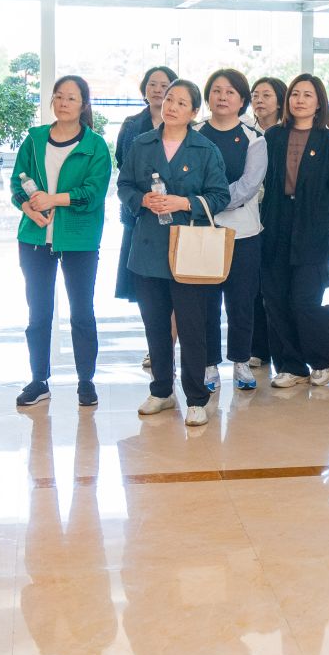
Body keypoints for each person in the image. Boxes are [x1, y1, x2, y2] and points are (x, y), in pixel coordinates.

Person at [119, 78, 229, 424]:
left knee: (192, 328)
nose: (172, 107)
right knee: (155, 326)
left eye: (182, 103)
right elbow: (124, 185)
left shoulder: (205, 149)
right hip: (148, 248)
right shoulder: (142, 144)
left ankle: (196, 398)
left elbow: (220, 196)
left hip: (188, 250)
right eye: (169, 99)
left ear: (194, 112)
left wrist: (184, 202)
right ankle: (161, 391)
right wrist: (141, 200)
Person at [11, 74, 112, 408]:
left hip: (79, 239)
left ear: (83, 105)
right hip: (35, 236)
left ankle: (86, 381)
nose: (63, 103)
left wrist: (53, 199)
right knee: (38, 313)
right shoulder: (35, 139)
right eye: (58, 96)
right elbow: (17, 182)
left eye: (71, 98)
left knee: (81, 312)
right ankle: (39, 380)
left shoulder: (95, 145)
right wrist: (28, 207)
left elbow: (93, 193)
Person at [258, 74, 329, 388]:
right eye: (295, 94)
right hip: (275, 223)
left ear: (319, 102)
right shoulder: (273, 136)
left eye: (307, 95)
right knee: (276, 299)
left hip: (313, 226)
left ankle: (322, 360)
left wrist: (322, 222)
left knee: (305, 300)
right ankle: (290, 365)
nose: (299, 100)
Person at [200, 68, 267, 392]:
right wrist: (204, 205)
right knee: (206, 302)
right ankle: (209, 364)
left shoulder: (255, 137)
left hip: (244, 233)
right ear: (208, 96)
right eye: (216, 90)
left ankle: (241, 362)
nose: (222, 97)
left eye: (230, 92)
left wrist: (208, 201)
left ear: (242, 100)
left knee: (241, 302)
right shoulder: (194, 134)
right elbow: (187, 180)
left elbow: (249, 185)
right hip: (204, 231)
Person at [113, 65, 174, 305]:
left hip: (175, 212)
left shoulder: (187, 126)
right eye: (152, 84)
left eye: (164, 85)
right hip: (139, 211)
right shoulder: (131, 124)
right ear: (144, 89)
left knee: (177, 285)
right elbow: (122, 161)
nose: (157, 90)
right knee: (145, 288)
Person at [245, 76, 287, 366]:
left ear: (280, 101)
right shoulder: (246, 131)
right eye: (255, 95)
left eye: (266, 95)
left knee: (276, 284)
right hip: (250, 213)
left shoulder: (287, 133)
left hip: (280, 215)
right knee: (252, 283)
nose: (259, 100)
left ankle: (282, 346)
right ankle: (257, 348)